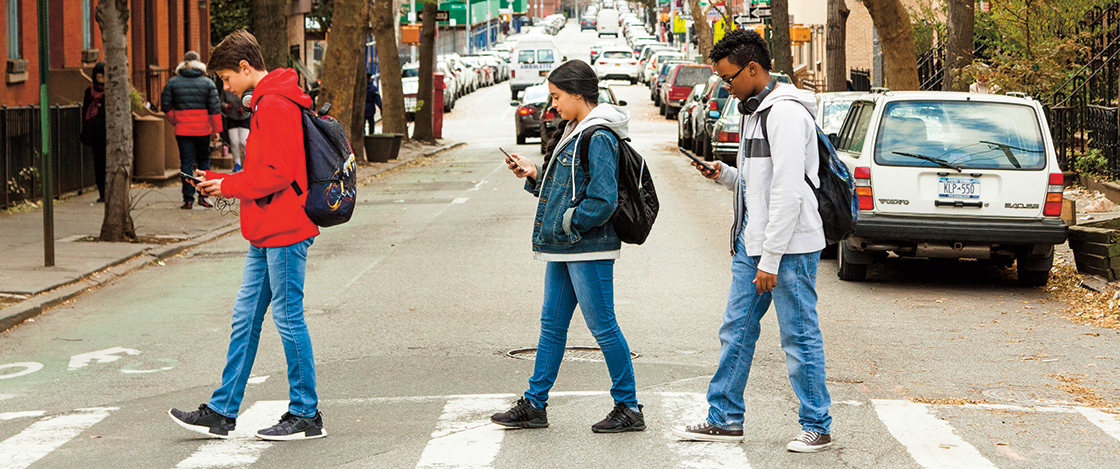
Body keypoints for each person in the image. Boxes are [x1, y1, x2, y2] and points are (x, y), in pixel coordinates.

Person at [671, 29, 834, 453]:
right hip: (754, 242)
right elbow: (759, 183)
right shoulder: (754, 110)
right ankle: (724, 418)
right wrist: (725, 175)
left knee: (798, 335)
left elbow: (788, 192)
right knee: (736, 331)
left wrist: (771, 259)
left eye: (729, 79)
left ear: (753, 68)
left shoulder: (786, 115)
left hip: (788, 248)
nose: (726, 87)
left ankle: (817, 423)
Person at [167, 30, 325, 441]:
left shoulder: (273, 104)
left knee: (287, 319)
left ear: (243, 67)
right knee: (246, 319)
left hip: (284, 228)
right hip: (268, 228)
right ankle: (223, 411)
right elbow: (265, 169)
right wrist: (221, 180)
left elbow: (277, 174)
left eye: (224, 79)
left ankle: (306, 414)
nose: (224, 88)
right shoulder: (270, 100)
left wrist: (228, 187)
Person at [494, 60, 645, 434]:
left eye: (558, 96)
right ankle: (534, 403)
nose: (554, 105)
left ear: (579, 94)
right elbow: (567, 187)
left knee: (603, 327)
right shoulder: (573, 129)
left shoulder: (600, 135)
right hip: (565, 247)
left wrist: (568, 223)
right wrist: (533, 175)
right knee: (551, 325)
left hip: (587, 246)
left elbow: (603, 199)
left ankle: (629, 407)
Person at [161, 50, 223, 210]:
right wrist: (216, 130)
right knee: (204, 162)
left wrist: (175, 119)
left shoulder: (173, 83)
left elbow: (166, 105)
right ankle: (204, 196)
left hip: (183, 130)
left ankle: (188, 199)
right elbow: (214, 109)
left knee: (186, 163)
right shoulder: (208, 83)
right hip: (203, 129)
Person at [80, 62, 107, 202]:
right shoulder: (88, 92)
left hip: (108, 133)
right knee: (98, 163)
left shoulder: (110, 92)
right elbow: (84, 111)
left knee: (108, 163)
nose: (101, 79)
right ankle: (102, 191)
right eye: (98, 76)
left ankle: (109, 191)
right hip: (95, 134)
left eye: (103, 76)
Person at [219, 88, 250, 172]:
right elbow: (220, 102)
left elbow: (251, 100)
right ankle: (237, 163)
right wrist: (226, 106)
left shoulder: (245, 87)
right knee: (234, 141)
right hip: (231, 117)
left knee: (243, 141)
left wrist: (244, 107)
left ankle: (249, 161)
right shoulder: (226, 89)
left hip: (244, 117)